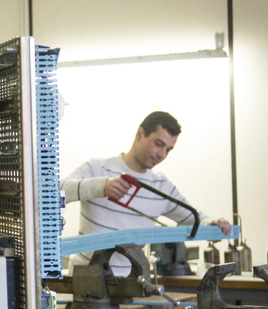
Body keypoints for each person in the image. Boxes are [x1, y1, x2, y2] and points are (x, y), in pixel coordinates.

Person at [60, 111, 231, 275]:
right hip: (83, 280)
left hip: (131, 284)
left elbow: (193, 218)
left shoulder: (161, 185)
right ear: (140, 134)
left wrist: (212, 225)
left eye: (168, 150)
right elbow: (55, 192)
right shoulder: (97, 168)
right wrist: (101, 187)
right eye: (158, 144)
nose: (161, 155)